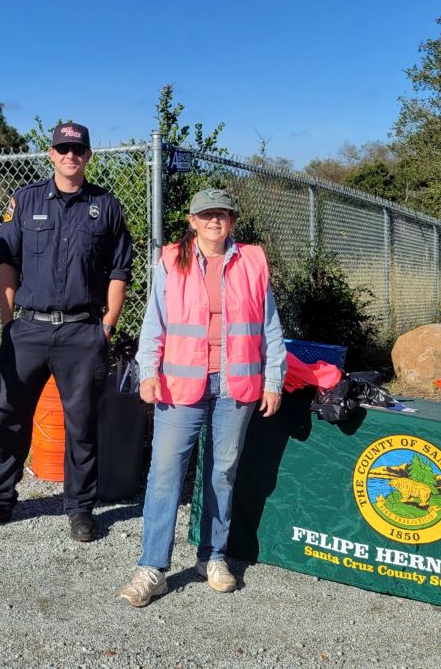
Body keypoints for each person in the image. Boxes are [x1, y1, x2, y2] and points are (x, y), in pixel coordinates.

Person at [0, 122, 133, 542]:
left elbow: (120, 270)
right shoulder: (26, 199)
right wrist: (7, 322)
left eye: (78, 150)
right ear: (50, 154)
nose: (70, 156)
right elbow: (7, 263)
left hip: (82, 333)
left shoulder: (105, 206)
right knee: (8, 418)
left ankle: (80, 509)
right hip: (29, 330)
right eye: (62, 149)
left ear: (88, 156)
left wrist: (106, 327)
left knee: (82, 425)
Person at [118, 188, 286, 608]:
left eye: (222, 215)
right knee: (164, 475)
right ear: (192, 221)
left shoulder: (252, 261)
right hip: (180, 386)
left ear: (232, 221)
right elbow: (153, 321)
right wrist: (148, 370)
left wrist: (273, 379)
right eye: (206, 215)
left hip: (236, 386)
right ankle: (152, 567)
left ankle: (212, 557)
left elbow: (270, 327)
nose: (215, 221)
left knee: (222, 473)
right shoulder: (172, 260)